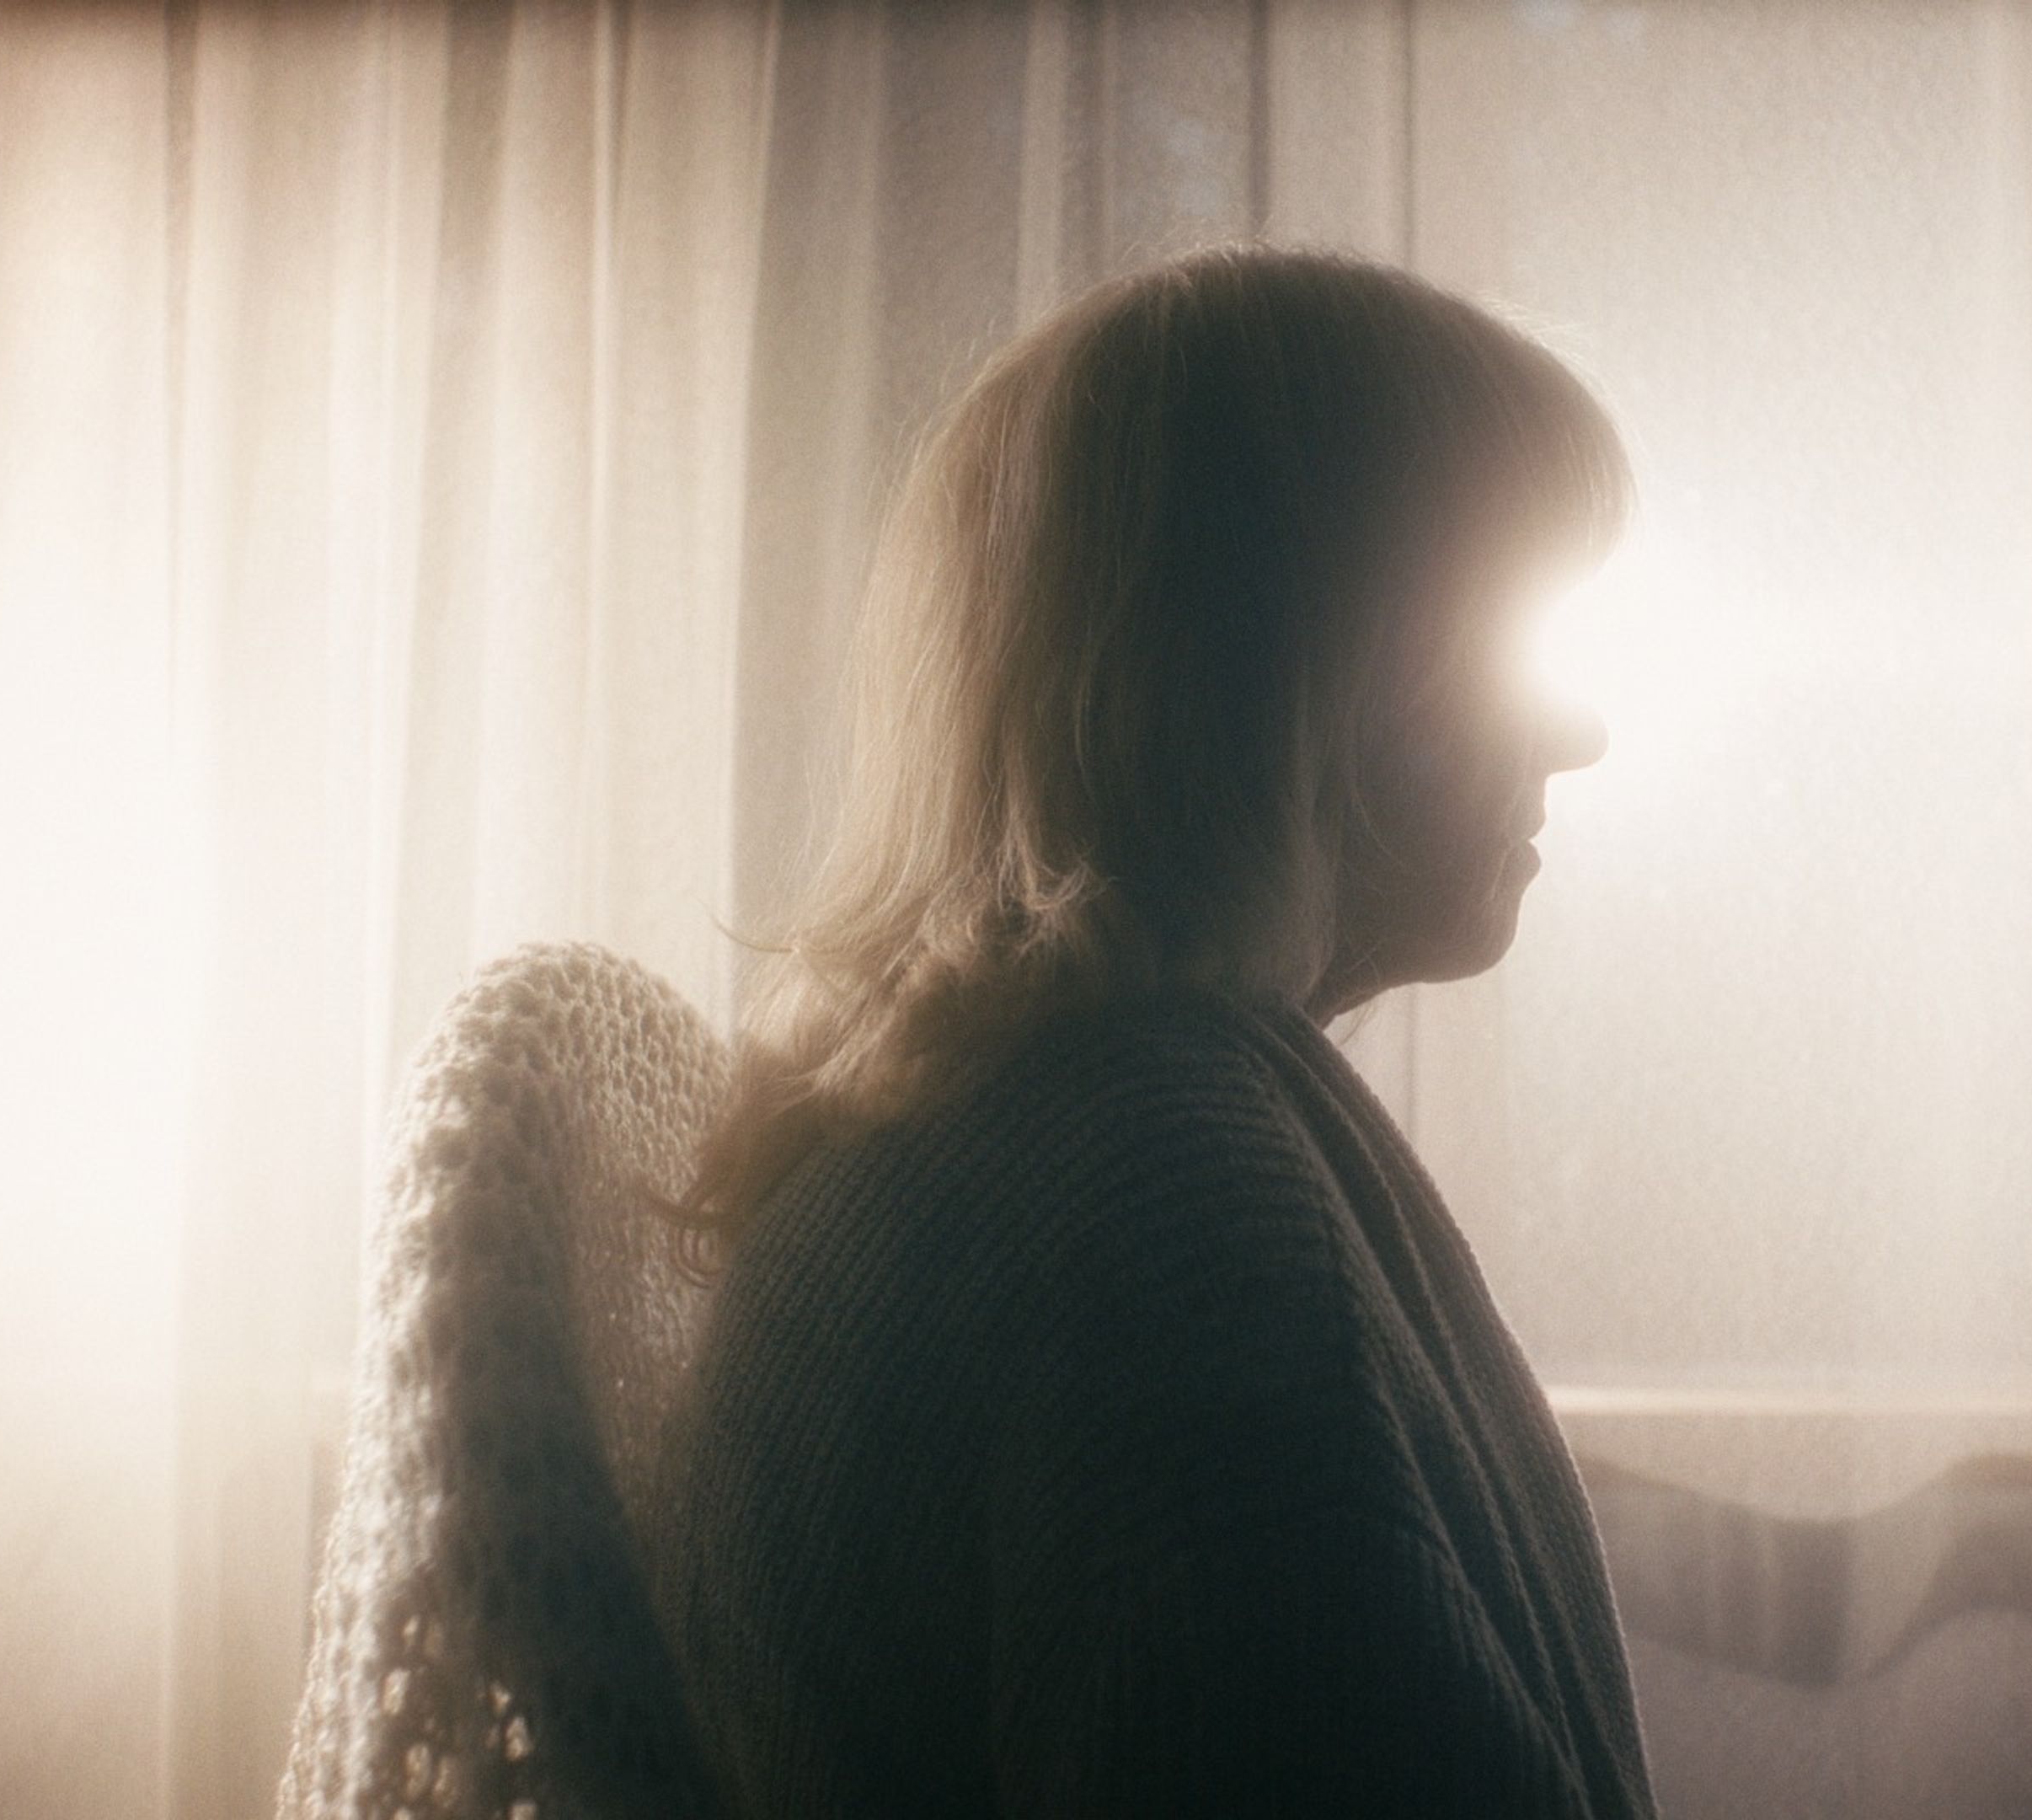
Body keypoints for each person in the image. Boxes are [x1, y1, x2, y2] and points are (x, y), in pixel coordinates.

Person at [676, 244, 1656, 1817]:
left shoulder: (1016, 1110)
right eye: (1512, 636)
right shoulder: (1155, 1208)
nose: (1583, 732)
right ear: (1301, 665)